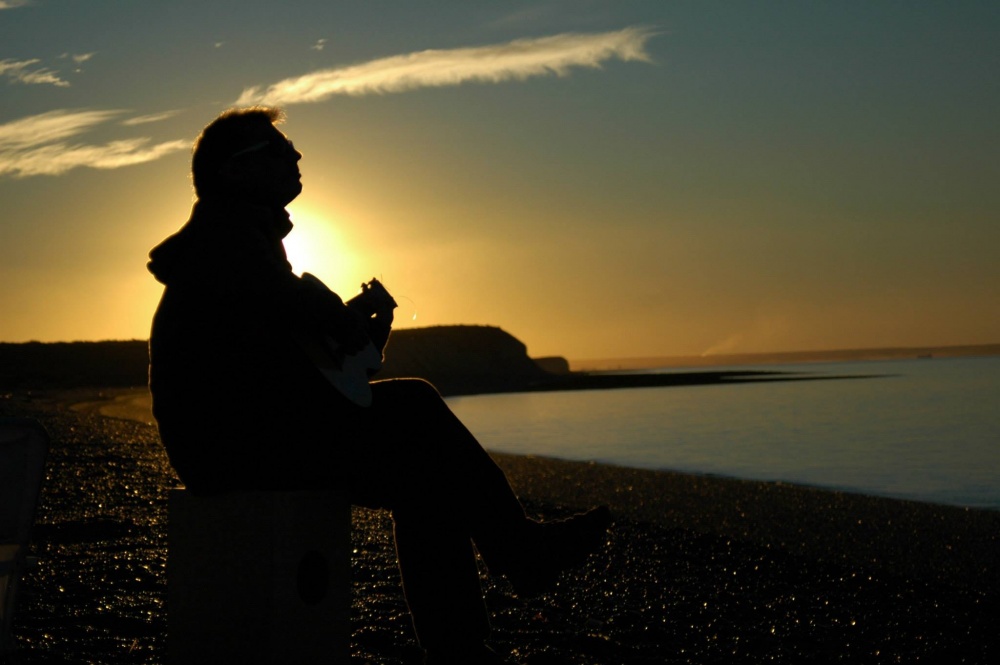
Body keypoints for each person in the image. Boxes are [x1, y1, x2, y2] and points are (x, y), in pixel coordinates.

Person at [147, 106, 611, 665]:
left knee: (426, 475)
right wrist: (343, 326)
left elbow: (294, 363)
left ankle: (464, 643)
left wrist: (350, 345)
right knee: (415, 404)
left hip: (251, 435)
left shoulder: (238, 240)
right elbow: (294, 330)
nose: (295, 156)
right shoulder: (229, 243)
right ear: (234, 172)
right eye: (277, 149)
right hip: (234, 450)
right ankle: (517, 561)